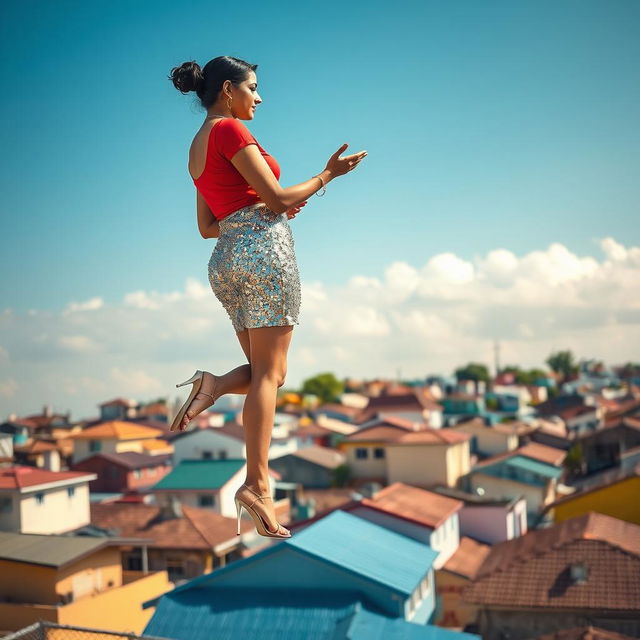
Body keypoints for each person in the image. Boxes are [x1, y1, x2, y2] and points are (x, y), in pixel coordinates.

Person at [168, 55, 367, 538]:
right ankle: (257, 486)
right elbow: (277, 197)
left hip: (227, 262)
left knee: (266, 374)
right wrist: (326, 177)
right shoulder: (231, 131)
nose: (258, 97)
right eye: (252, 87)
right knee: (271, 377)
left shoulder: (196, 147)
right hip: (263, 257)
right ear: (227, 90)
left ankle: (212, 385)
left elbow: (207, 226)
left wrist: (260, 207)